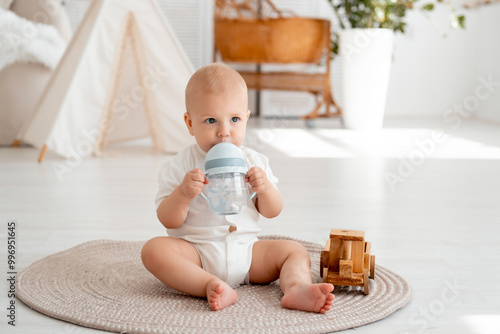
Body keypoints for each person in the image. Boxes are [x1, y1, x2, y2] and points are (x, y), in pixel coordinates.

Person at [141, 63, 335, 312]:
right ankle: (209, 284)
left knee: (294, 251)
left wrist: (264, 189)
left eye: (234, 119)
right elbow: (168, 220)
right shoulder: (180, 166)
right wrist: (182, 194)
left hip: (247, 253)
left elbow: (273, 211)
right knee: (154, 251)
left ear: (246, 118)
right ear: (190, 124)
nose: (224, 132)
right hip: (196, 254)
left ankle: (296, 287)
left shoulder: (254, 162)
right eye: (211, 120)